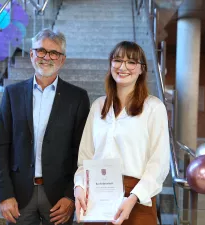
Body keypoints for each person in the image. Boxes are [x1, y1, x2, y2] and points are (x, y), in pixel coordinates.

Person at [0, 28, 90, 225]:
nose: (46, 57)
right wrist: (4, 194)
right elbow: (1, 147)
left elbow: (81, 152)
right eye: (41, 51)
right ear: (31, 55)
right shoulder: (12, 94)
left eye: (54, 53)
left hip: (58, 198)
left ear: (62, 59)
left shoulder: (77, 98)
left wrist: (70, 196)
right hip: (19, 196)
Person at [73, 41, 171, 225]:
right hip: (97, 196)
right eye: (117, 60)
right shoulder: (98, 106)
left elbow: (159, 163)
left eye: (131, 62)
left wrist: (134, 197)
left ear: (141, 69)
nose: (123, 67)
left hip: (137, 197)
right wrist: (79, 187)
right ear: (110, 65)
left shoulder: (154, 108)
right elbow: (85, 158)